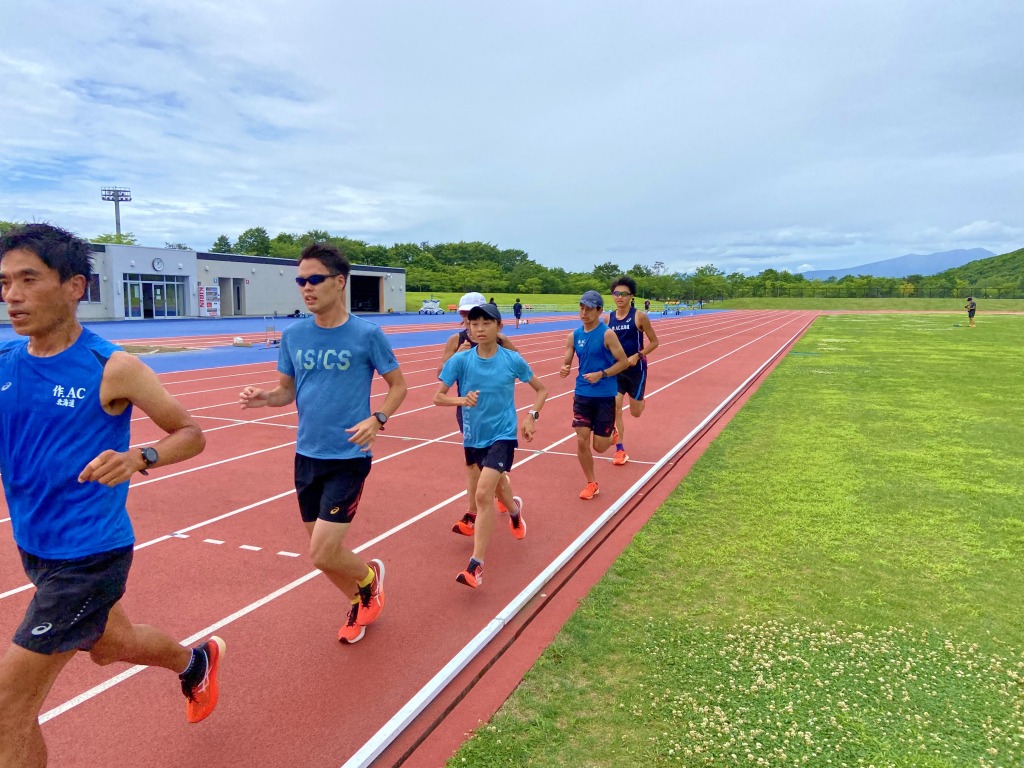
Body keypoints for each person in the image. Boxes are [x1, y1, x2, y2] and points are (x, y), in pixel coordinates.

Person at [0, 224, 218, 766]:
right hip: (38, 546)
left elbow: (190, 432)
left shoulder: (112, 366)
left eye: (29, 279)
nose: (12, 295)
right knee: (109, 646)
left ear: (74, 286)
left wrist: (137, 458)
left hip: (90, 556)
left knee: (7, 709)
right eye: (4, 282)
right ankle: (195, 663)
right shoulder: (5, 363)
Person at [239, 242, 407, 644]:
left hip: (348, 456)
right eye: (301, 281)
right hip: (306, 455)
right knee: (321, 555)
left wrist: (377, 418)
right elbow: (285, 392)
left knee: (323, 552)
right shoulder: (294, 336)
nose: (306, 288)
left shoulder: (367, 335)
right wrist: (265, 397)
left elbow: (398, 386)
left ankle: (370, 578)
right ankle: (359, 597)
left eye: (315, 279)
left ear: (339, 282)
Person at [435, 303, 547, 588]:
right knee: (496, 488)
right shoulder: (460, 361)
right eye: (474, 324)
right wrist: (461, 400)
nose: (479, 329)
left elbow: (541, 389)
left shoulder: (512, 359)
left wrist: (532, 417)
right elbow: (438, 396)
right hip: (473, 436)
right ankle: (514, 512)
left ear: (499, 327)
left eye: (486, 323)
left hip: (503, 435)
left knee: (483, 493)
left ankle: (476, 566)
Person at [437, 292, 519, 536]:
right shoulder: (456, 339)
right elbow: (440, 372)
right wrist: (457, 354)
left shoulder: (499, 339)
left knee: (490, 472)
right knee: (474, 468)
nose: (468, 319)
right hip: (469, 412)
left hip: (496, 415)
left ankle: (502, 502)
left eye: (470, 313)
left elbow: (518, 363)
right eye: (464, 314)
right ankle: (474, 512)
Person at [559, 290, 630, 500]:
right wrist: (564, 367)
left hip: (605, 394)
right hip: (582, 393)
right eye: (582, 308)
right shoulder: (574, 336)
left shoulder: (607, 334)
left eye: (589, 309)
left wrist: (602, 374)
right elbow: (567, 360)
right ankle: (591, 483)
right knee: (581, 440)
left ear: (599, 311)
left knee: (599, 446)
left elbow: (623, 362)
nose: (584, 313)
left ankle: (611, 433)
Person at [607, 275, 660, 466]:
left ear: (631, 296)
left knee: (635, 411)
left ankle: (640, 400)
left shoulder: (639, 316)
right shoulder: (609, 318)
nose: (619, 297)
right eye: (616, 293)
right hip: (617, 371)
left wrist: (638, 355)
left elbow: (655, 342)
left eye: (624, 294)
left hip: (636, 370)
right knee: (616, 406)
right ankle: (620, 450)